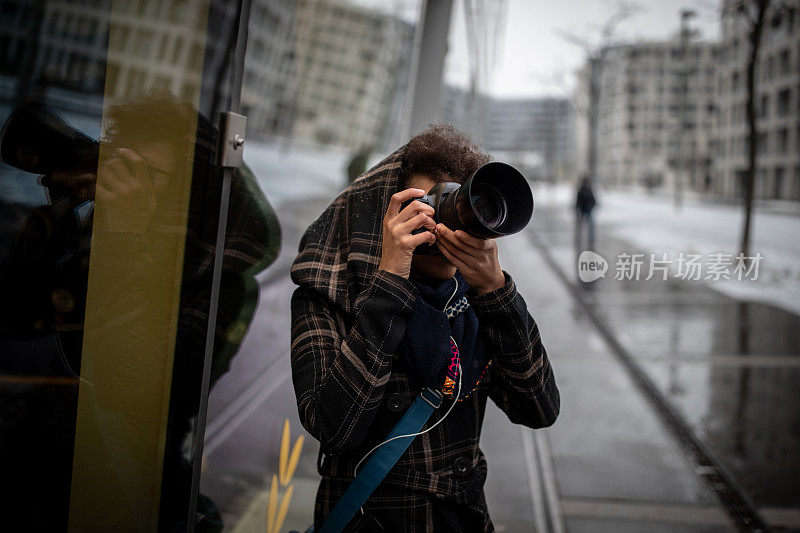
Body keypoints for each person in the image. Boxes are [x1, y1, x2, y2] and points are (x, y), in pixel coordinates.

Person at [290, 123, 560, 532]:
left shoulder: (476, 301)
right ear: (386, 215)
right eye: (433, 204)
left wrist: (496, 293)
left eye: (465, 208)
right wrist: (389, 284)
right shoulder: (329, 293)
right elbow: (334, 427)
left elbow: (539, 409)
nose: (450, 226)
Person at [575, 174, 596, 251]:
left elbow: (593, 201)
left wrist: (590, 207)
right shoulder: (584, 189)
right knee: (584, 228)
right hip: (584, 211)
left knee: (587, 228)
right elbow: (578, 201)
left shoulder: (585, 189)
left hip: (586, 211)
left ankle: (587, 240)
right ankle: (582, 239)